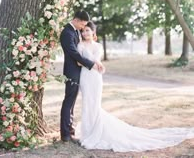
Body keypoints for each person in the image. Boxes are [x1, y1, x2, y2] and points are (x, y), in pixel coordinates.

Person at [76, 21, 194, 152]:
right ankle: (88, 132)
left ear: (93, 32)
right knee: (87, 102)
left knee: (95, 104)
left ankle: (96, 131)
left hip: (96, 78)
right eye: (83, 31)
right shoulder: (80, 45)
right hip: (86, 77)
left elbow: (97, 61)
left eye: (87, 30)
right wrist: (93, 63)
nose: (85, 33)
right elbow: (79, 62)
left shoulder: (98, 46)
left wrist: (99, 65)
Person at [60, 10, 103, 143]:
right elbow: (74, 54)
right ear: (77, 20)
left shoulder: (75, 31)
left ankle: (70, 129)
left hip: (81, 72)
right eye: (82, 24)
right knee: (69, 101)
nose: (82, 28)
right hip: (72, 72)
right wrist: (92, 64)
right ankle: (65, 134)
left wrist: (97, 63)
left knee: (72, 102)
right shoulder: (67, 33)